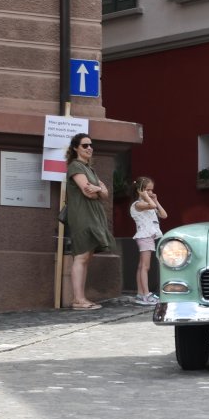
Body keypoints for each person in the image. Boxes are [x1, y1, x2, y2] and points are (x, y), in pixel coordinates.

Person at [63, 133, 117, 310]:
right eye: (85, 145)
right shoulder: (75, 166)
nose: (89, 148)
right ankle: (78, 300)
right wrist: (97, 189)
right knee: (81, 256)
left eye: (91, 145)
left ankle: (81, 298)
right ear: (75, 148)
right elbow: (89, 192)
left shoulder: (89, 169)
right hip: (82, 215)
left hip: (93, 215)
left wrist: (97, 189)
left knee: (86, 257)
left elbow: (105, 193)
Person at [129, 175, 167, 305]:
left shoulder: (149, 203)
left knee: (142, 266)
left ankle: (140, 293)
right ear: (139, 190)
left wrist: (156, 200)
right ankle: (146, 294)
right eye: (147, 190)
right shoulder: (138, 204)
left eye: (152, 190)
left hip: (147, 237)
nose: (151, 192)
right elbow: (151, 205)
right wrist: (147, 197)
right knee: (146, 266)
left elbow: (164, 215)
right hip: (144, 237)